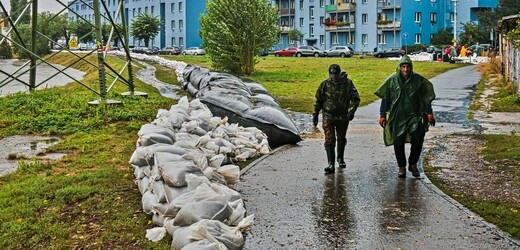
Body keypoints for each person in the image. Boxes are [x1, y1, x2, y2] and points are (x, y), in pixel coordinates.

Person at [374, 55, 436, 178]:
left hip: (414, 115)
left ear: (411, 67)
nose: (406, 70)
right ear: (400, 67)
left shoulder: (418, 80)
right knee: (398, 141)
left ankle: (413, 163)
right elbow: (386, 98)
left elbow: (426, 98)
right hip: (397, 116)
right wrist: (382, 115)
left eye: (408, 67)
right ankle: (401, 166)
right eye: (403, 67)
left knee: (418, 137)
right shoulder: (392, 80)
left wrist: (429, 113)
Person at [313, 64, 360, 174]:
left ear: (339, 74)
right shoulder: (325, 84)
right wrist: (315, 115)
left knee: (341, 138)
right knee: (330, 139)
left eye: (335, 75)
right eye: (332, 75)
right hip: (328, 115)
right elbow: (318, 101)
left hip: (343, 116)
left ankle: (340, 158)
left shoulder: (348, 84)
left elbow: (356, 99)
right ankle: (331, 164)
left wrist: (351, 111)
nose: (333, 77)